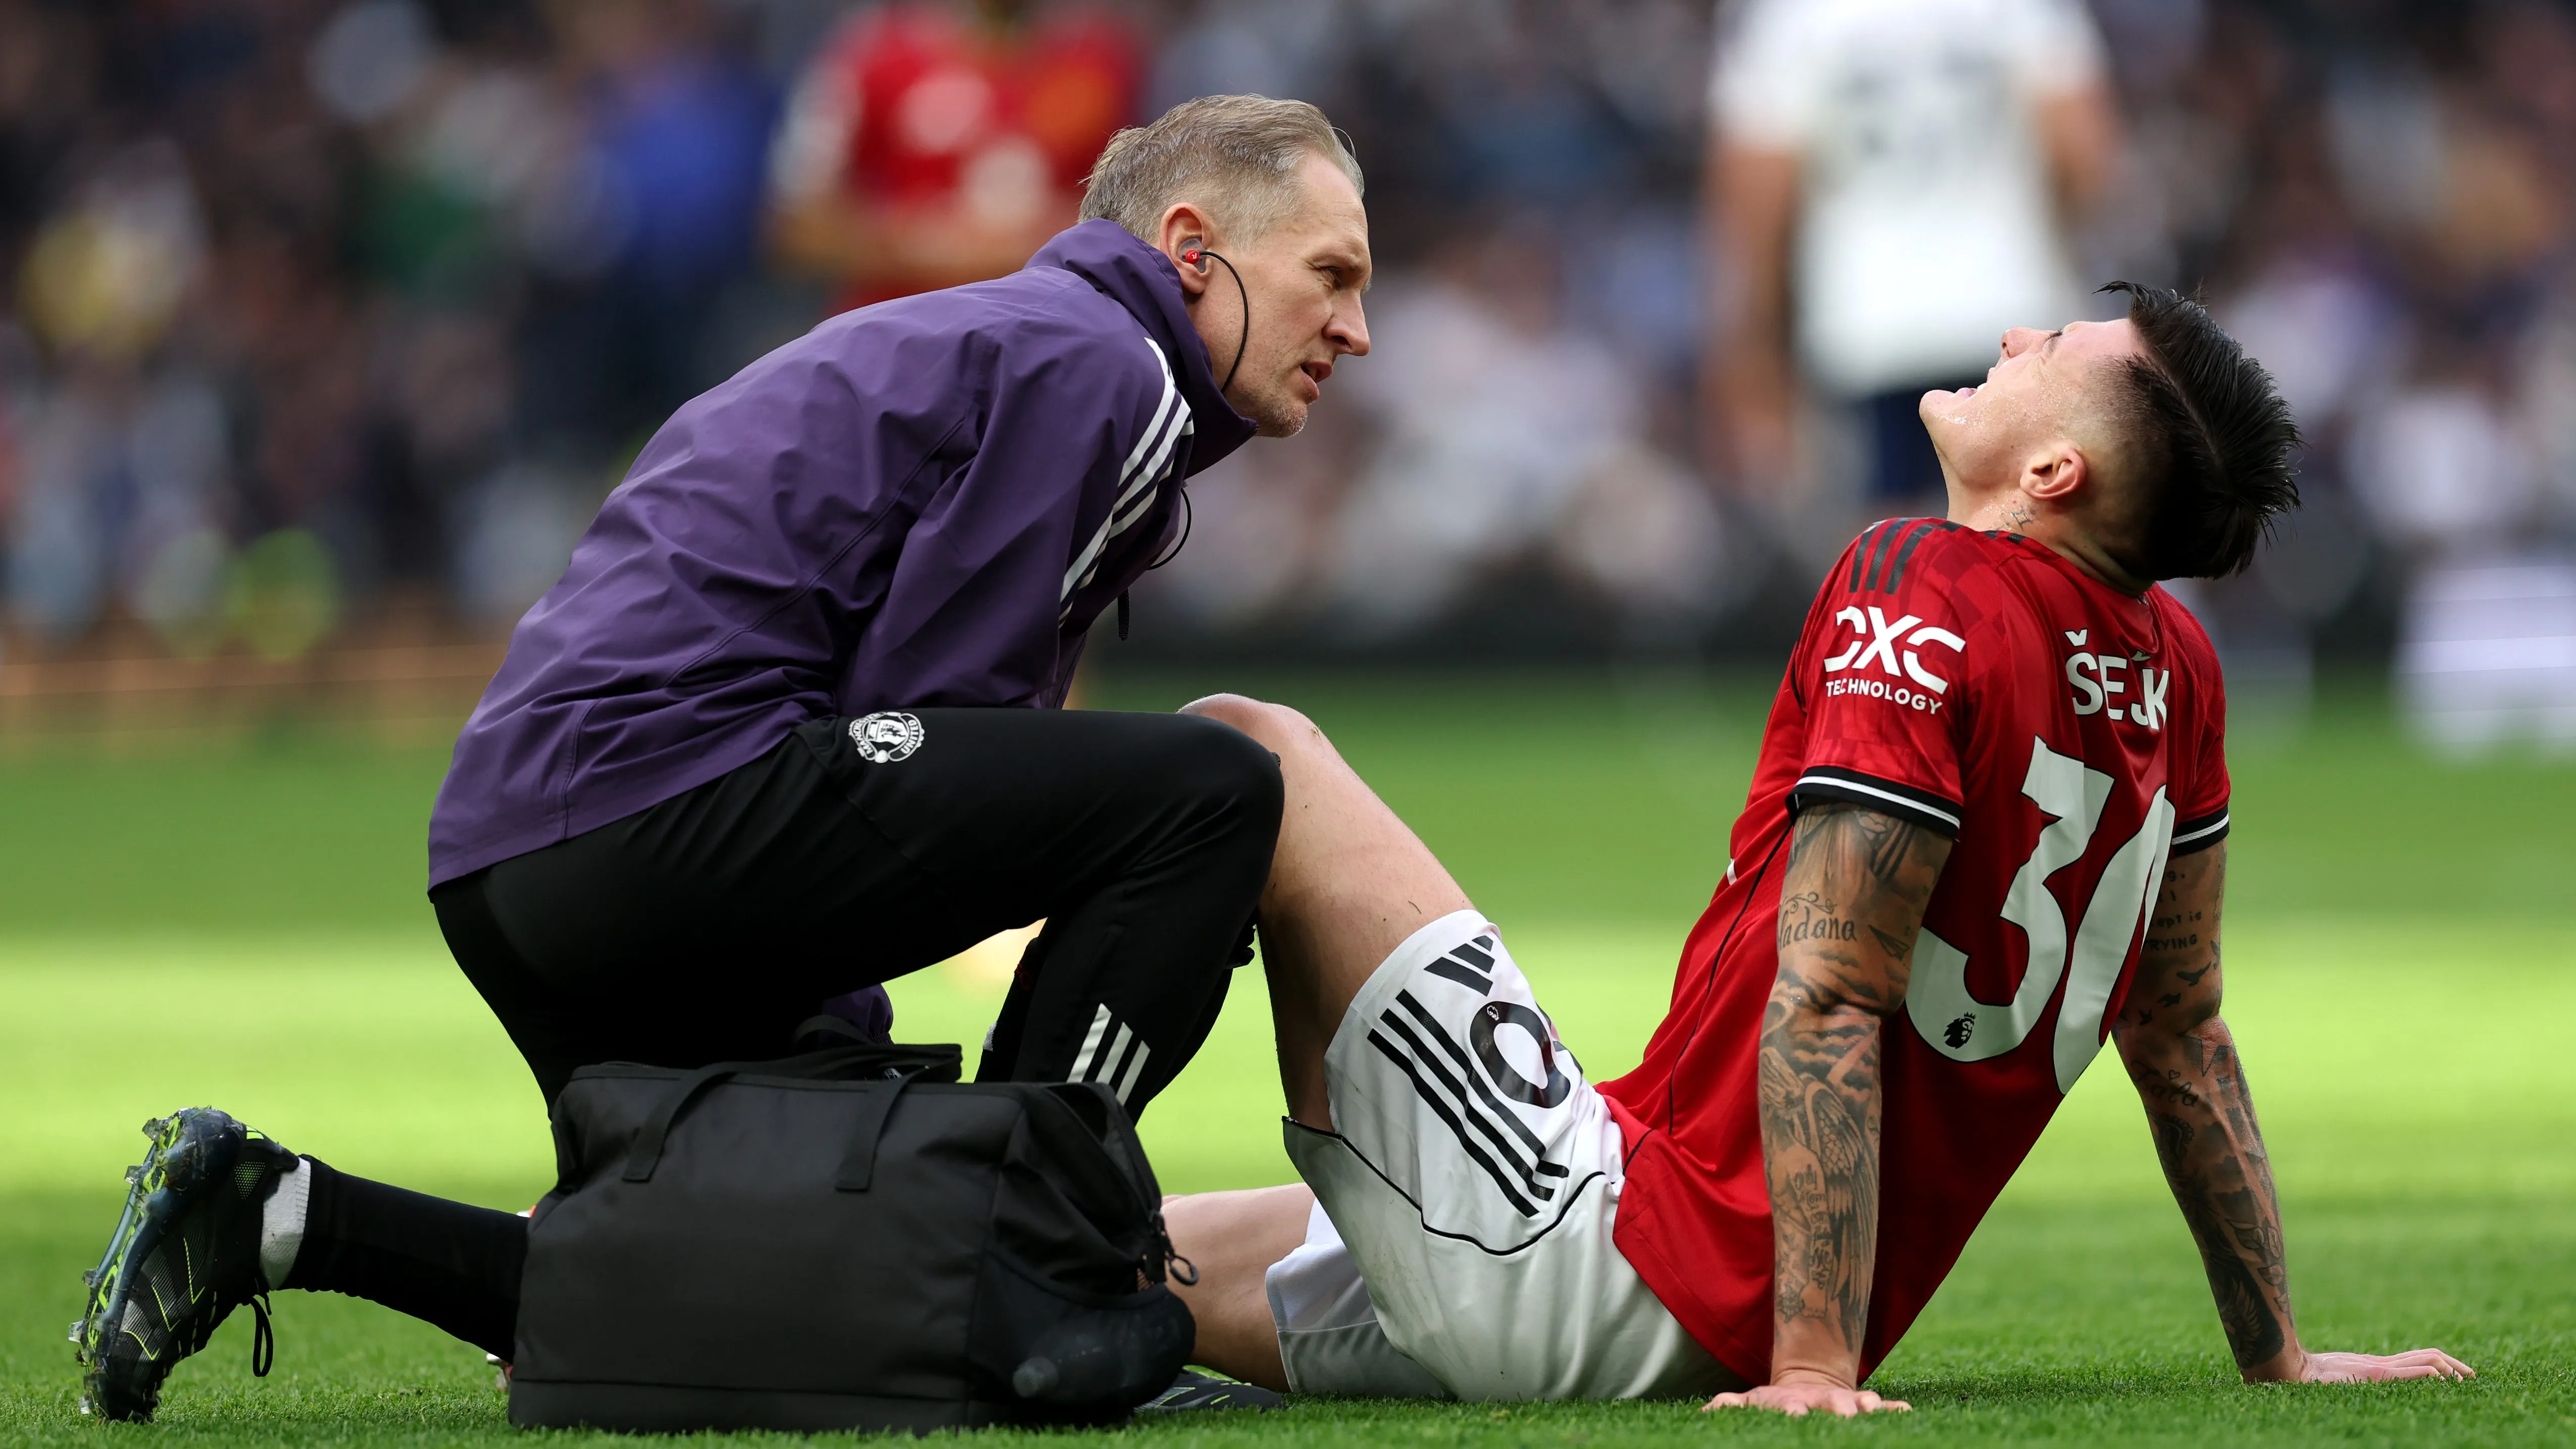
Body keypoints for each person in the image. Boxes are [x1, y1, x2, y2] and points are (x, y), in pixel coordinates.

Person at [71, 94, 1372, 1422]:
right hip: (667, 801)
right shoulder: (1103, 361)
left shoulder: (1000, 334)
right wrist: (908, 1107)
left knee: (762, 1273)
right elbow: (941, 713)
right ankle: (1037, 1259)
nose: (1356, 328)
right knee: (1212, 791)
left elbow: (895, 754)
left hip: (515, 851)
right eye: (1329, 274)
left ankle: (276, 1211)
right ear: (1192, 246)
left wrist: (827, 1073)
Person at [1161, 284, 2476, 1412]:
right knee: (1057, 1244)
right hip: (1638, 1236)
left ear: (2052, 474)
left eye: (2056, 347)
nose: (2015, 331)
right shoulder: (2178, 667)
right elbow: (2181, 1029)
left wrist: (1808, 1363)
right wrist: (2278, 1352)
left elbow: (1835, 986)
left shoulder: (1915, 579)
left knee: (1247, 747)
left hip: (1604, 1255)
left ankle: (1028, 1029)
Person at [1705, 0, 2120, 507]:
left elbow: (1760, 199)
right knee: (2037, 532)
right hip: (2010, 305)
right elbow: (2080, 151)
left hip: (1866, 325)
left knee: (1885, 556)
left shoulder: (1789, 19)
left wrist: (1755, 348)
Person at [766, 0, 1146, 311]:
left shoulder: (1104, 60)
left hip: (1055, 346)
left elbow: (1142, 217)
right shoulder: (869, 55)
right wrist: (921, 247)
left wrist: (1049, 237)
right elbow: (797, 225)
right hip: (901, 343)